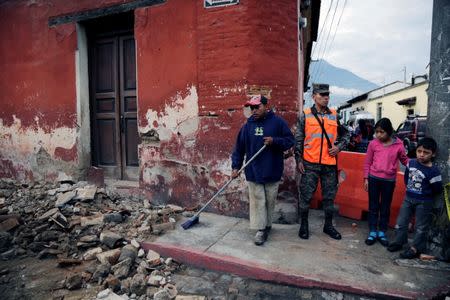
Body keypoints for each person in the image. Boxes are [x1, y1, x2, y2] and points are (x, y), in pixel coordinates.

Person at [231, 95, 295, 246]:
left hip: (272, 169)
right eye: (251, 108)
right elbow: (239, 149)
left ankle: (267, 225)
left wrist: (275, 141)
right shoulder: (247, 126)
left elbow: (290, 141)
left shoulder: (278, 123)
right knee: (258, 201)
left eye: (257, 107)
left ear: (266, 106)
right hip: (253, 170)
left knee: (269, 201)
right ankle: (260, 229)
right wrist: (235, 167)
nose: (253, 110)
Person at [294, 83, 350, 240]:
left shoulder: (334, 115)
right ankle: (304, 225)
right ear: (314, 97)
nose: (326, 98)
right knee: (305, 196)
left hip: (329, 164)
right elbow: (298, 139)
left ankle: (328, 226)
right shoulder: (305, 115)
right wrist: (298, 159)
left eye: (328, 95)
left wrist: (339, 147)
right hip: (309, 164)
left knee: (329, 197)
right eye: (322, 95)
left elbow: (346, 135)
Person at [387, 137, 443, 258]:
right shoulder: (410, 163)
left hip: (424, 202)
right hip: (408, 198)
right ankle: (399, 241)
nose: (422, 155)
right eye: (419, 151)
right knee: (401, 222)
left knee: (420, 227)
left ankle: (415, 248)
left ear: (433, 154)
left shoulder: (433, 171)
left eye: (426, 152)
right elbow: (407, 178)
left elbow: (437, 188)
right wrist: (410, 189)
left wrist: (425, 194)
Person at [363, 118, 409, 246]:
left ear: (389, 131)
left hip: (389, 181)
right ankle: (372, 231)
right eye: (376, 132)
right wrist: (366, 178)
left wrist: (417, 165)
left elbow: (405, 161)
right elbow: (367, 162)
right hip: (373, 179)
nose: (378, 135)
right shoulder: (373, 144)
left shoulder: (399, 145)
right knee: (373, 206)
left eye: (381, 132)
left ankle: (382, 232)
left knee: (385, 207)